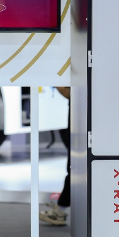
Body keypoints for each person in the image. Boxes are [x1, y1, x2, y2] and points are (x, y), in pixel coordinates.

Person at [40, 86, 70, 225]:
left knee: (76, 166)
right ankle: (61, 209)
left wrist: (57, 83)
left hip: (82, 114)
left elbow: (70, 92)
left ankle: (60, 211)